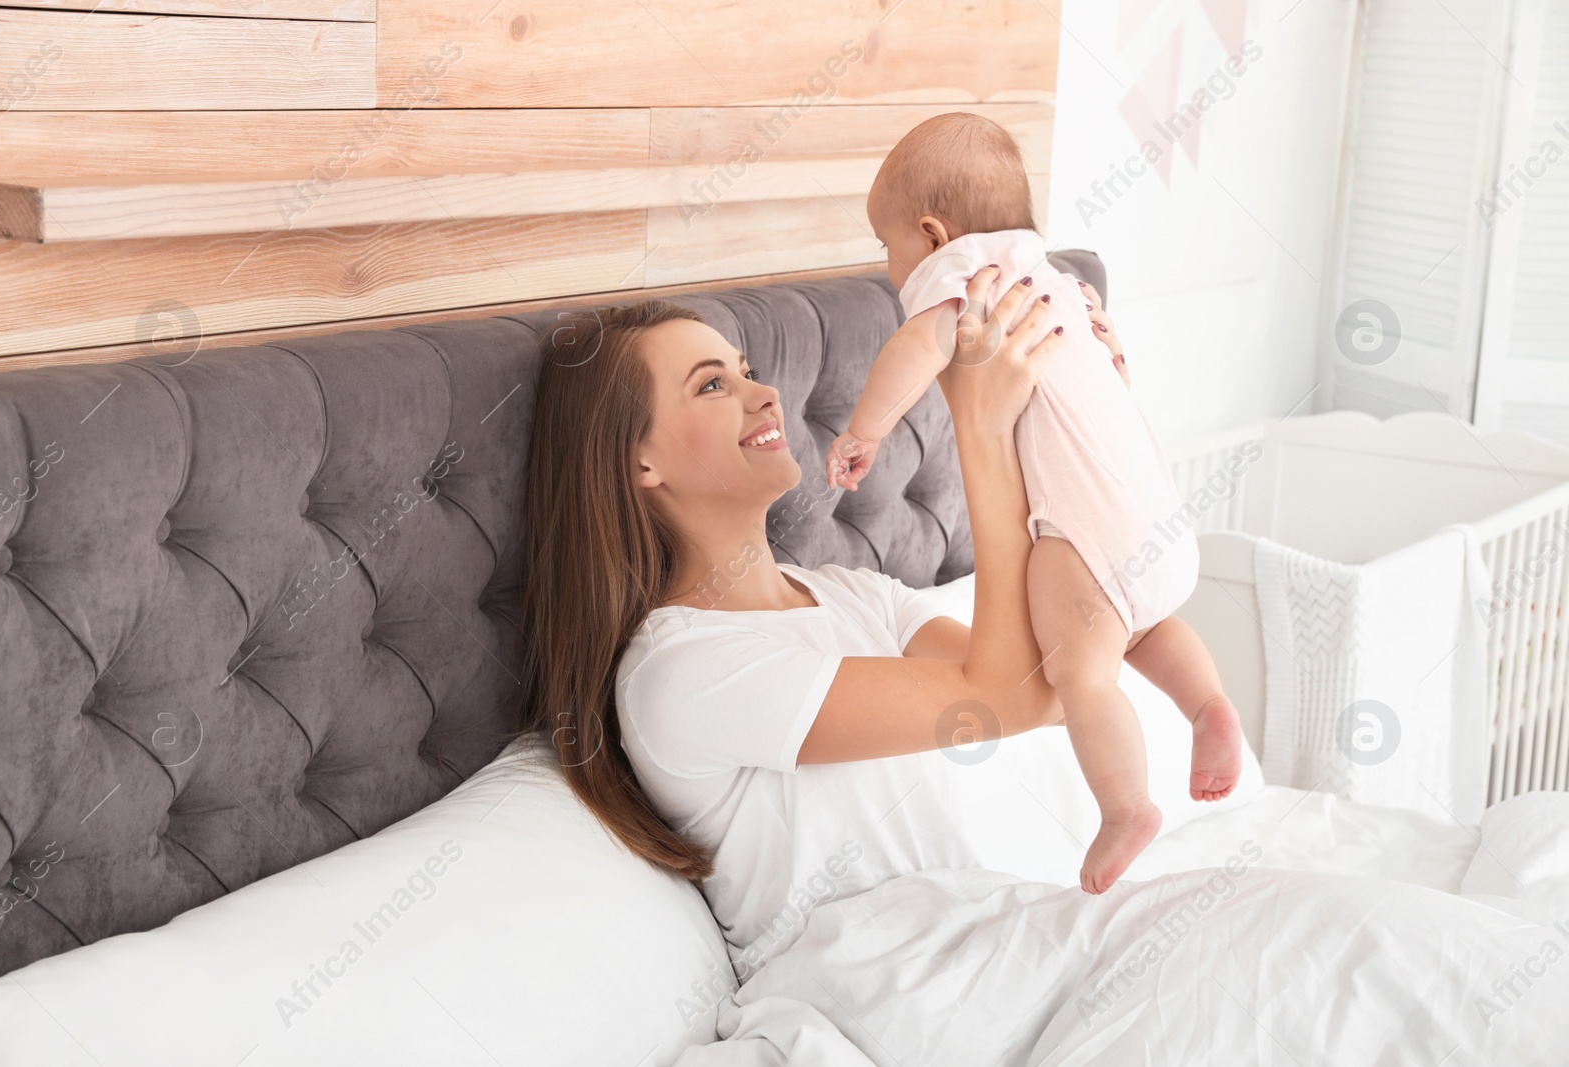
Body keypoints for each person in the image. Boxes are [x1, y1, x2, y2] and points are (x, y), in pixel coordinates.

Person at [524, 267, 1095, 979]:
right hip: (893, 992)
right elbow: (1001, 698)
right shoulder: (681, 670)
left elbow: (1055, 685)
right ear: (640, 459)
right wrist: (981, 429)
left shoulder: (857, 597)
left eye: (747, 371)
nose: (765, 396)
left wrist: (1079, 412)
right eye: (712, 385)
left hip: (996, 946)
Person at [824, 112, 1242, 892]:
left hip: (1085, 535)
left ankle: (1125, 805)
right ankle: (1208, 704)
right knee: (1144, 624)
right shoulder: (1059, 280)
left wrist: (864, 430)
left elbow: (918, 348)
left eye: (887, 247)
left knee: (1079, 673)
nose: (889, 266)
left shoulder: (967, 280)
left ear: (930, 232)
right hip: (1154, 511)